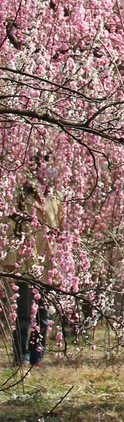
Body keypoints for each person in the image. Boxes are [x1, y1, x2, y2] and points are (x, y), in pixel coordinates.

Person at [3, 155, 62, 368]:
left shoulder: (55, 199)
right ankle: (21, 356)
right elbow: (9, 229)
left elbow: (60, 230)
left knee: (44, 316)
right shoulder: (21, 198)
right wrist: (11, 260)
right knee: (24, 315)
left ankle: (38, 355)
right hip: (26, 262)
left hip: (47, 263)